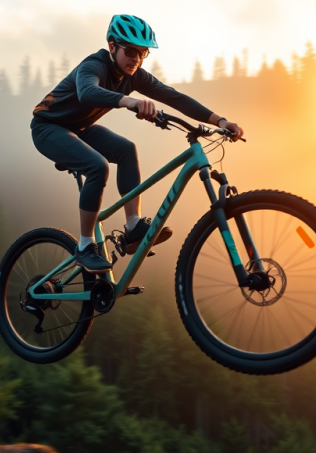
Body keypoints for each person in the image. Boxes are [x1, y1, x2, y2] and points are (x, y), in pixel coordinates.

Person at [31, 14, 244, 273]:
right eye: (130, 51)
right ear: (112, 47)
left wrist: (220, 120)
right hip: (48, 127)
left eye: (142, 53)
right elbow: (87, 92)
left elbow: (175, 97)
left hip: (80, 128)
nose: (136, 59)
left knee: (127, 150)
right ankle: (85, 247)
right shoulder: (94, 65)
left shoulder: (135, 76)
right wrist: (129, 102)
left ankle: (132, 227)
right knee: (98, 166)